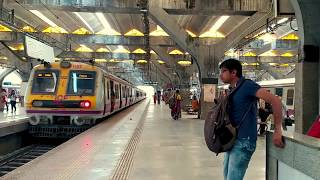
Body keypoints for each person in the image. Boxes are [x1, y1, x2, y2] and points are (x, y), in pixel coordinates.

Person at [219, 59, 284, 180]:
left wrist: (277, 130)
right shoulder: (232, 89)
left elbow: (275, 101)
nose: (221, 74)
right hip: (232, 140)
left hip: (244, 141)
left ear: (234, 72)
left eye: (224, 71)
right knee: (227, 175)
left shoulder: (248, 86)